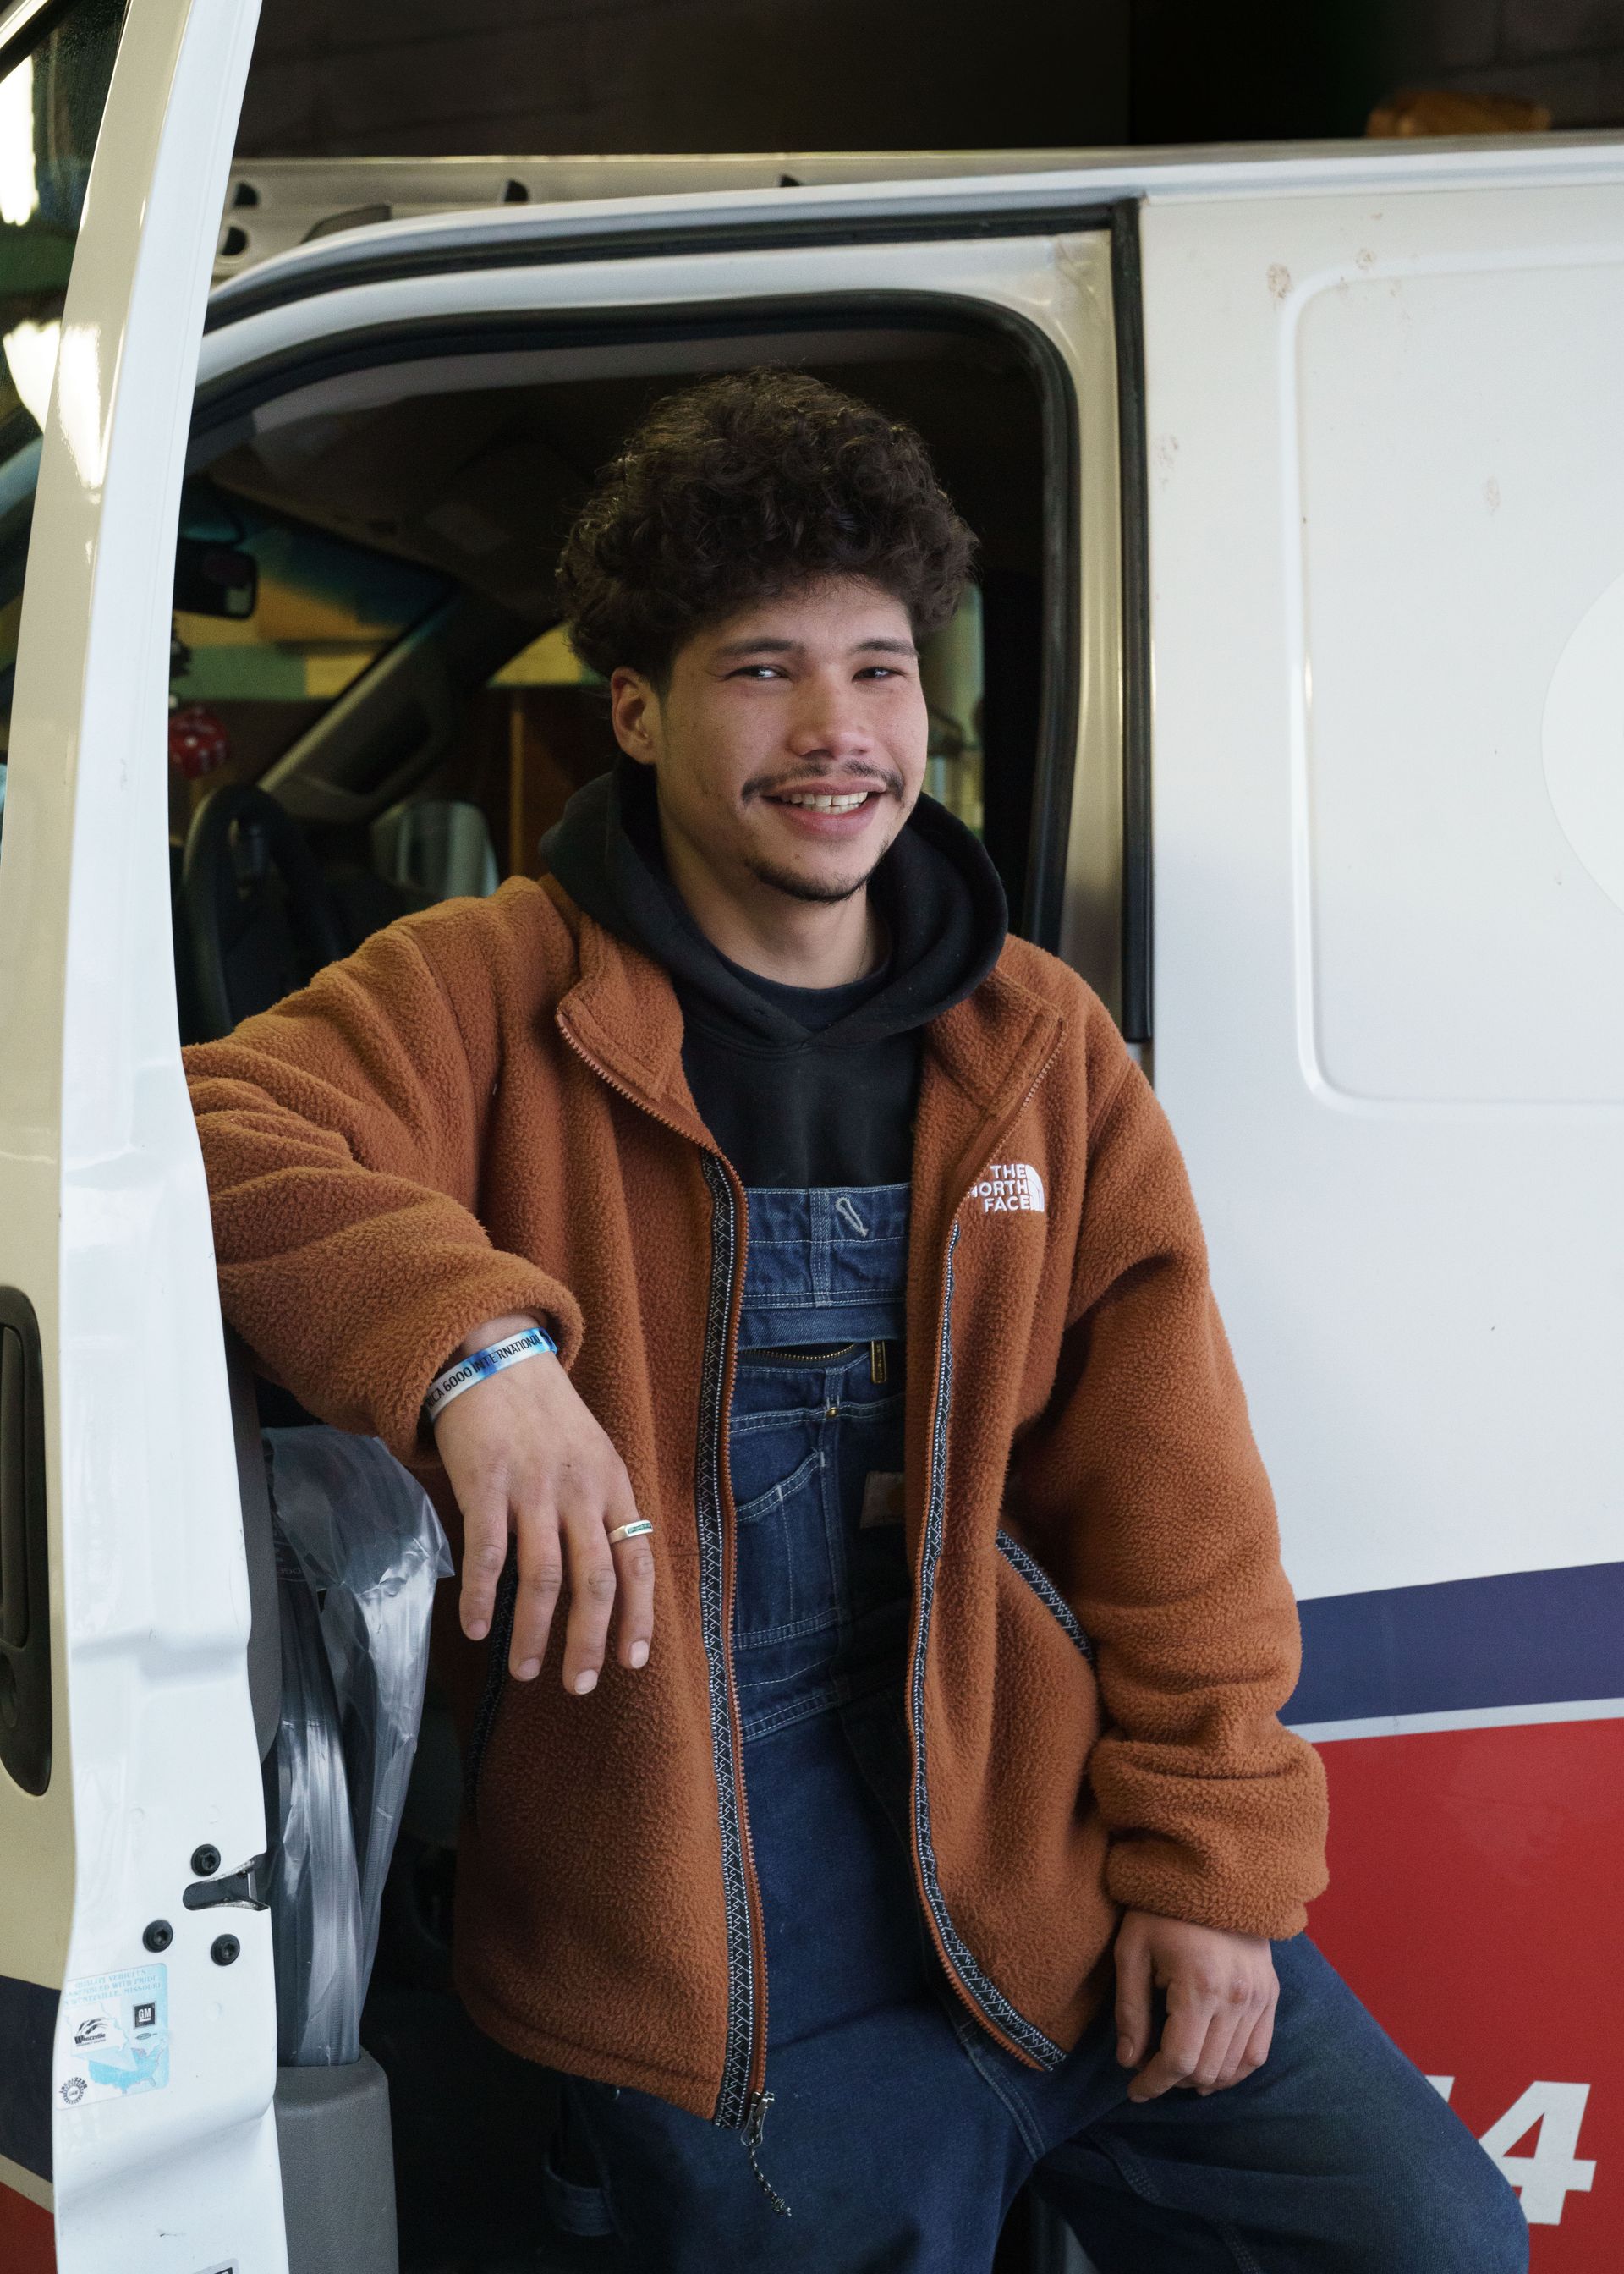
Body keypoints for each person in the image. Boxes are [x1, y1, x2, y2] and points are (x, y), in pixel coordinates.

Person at [185, 370, 1528, 2273]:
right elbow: (205, 1126)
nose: (837, 735)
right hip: (708, 1967)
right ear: (635, 710)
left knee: (1431, 2242)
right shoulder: (488, 989)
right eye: (762, 673)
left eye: (881, 669)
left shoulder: (1036, 1043)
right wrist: (476, 1349)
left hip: (1038, 1872)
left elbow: (1176, 1500)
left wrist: (1215, 1877)